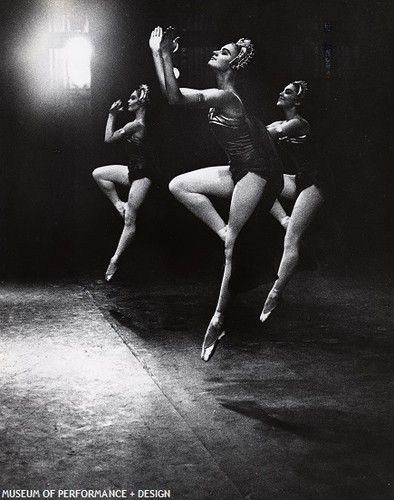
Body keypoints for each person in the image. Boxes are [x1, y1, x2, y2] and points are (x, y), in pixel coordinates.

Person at [149, 26, 283, 361]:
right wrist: (158, 53)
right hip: (237, 168)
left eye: (223, 52)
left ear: (233, 66)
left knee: (231, 251)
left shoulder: (227, 97)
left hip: (256, 171)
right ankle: (226, 233)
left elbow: (174, 97)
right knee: (180, 185)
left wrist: (165, 55)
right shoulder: (221, 94)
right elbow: (170, 93)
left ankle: (220, 318)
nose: (216, 53)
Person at [261, 80, 332, 322]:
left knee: (291, 240)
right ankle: (284, 219)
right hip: (301, 178)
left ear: (297, 101)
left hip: (318, 182)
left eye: (288, 92)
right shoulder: (282, 122)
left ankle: (275, 294)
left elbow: (268, 133)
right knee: (261, 181)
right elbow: (263, 129)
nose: (281, 93)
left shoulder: (298, 123)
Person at [92, 84, 152, 281]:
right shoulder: (135, 124)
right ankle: (119, 204)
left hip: (143, 176)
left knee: (130, 220)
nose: (128, 101)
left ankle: (115, 259)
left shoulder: (136, 125)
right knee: (99, 174)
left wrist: (111, 114)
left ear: (141, 102)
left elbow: (108, 139)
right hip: (132, 171)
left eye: (133, 98)